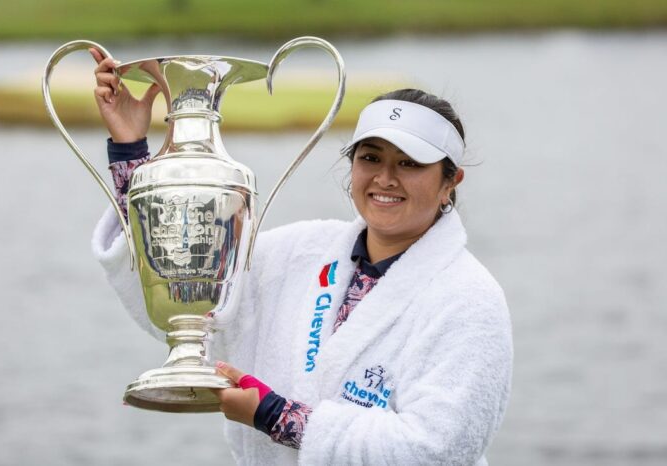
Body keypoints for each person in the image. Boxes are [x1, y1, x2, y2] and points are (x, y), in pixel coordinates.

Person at [90, 50, 513, 466]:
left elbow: (439, 449)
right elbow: (183, 298)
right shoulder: (296, 252)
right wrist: (130, 151)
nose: (385, 178)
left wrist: (277, 417)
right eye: (371, 158)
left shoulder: (469, 298)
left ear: (450, 181)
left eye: (410, 163)